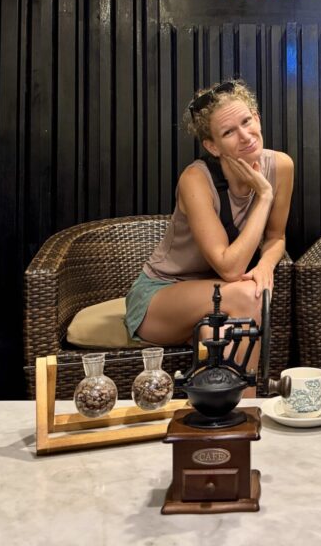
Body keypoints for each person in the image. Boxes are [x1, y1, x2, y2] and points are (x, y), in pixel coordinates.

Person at [124, 79, 294, 379]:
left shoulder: (281, 166)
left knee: (220, 332)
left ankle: (230, 405)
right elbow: (230, 268)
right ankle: (248, 401)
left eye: (246, 121)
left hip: (217, 297)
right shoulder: (195, 180)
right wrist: (264, 196)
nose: (245, 136)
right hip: (162, 296)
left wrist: (266, 265)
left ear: (257, 118)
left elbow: (276, 237)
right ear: (212, 146)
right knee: (250, 294)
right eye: (229, 132)